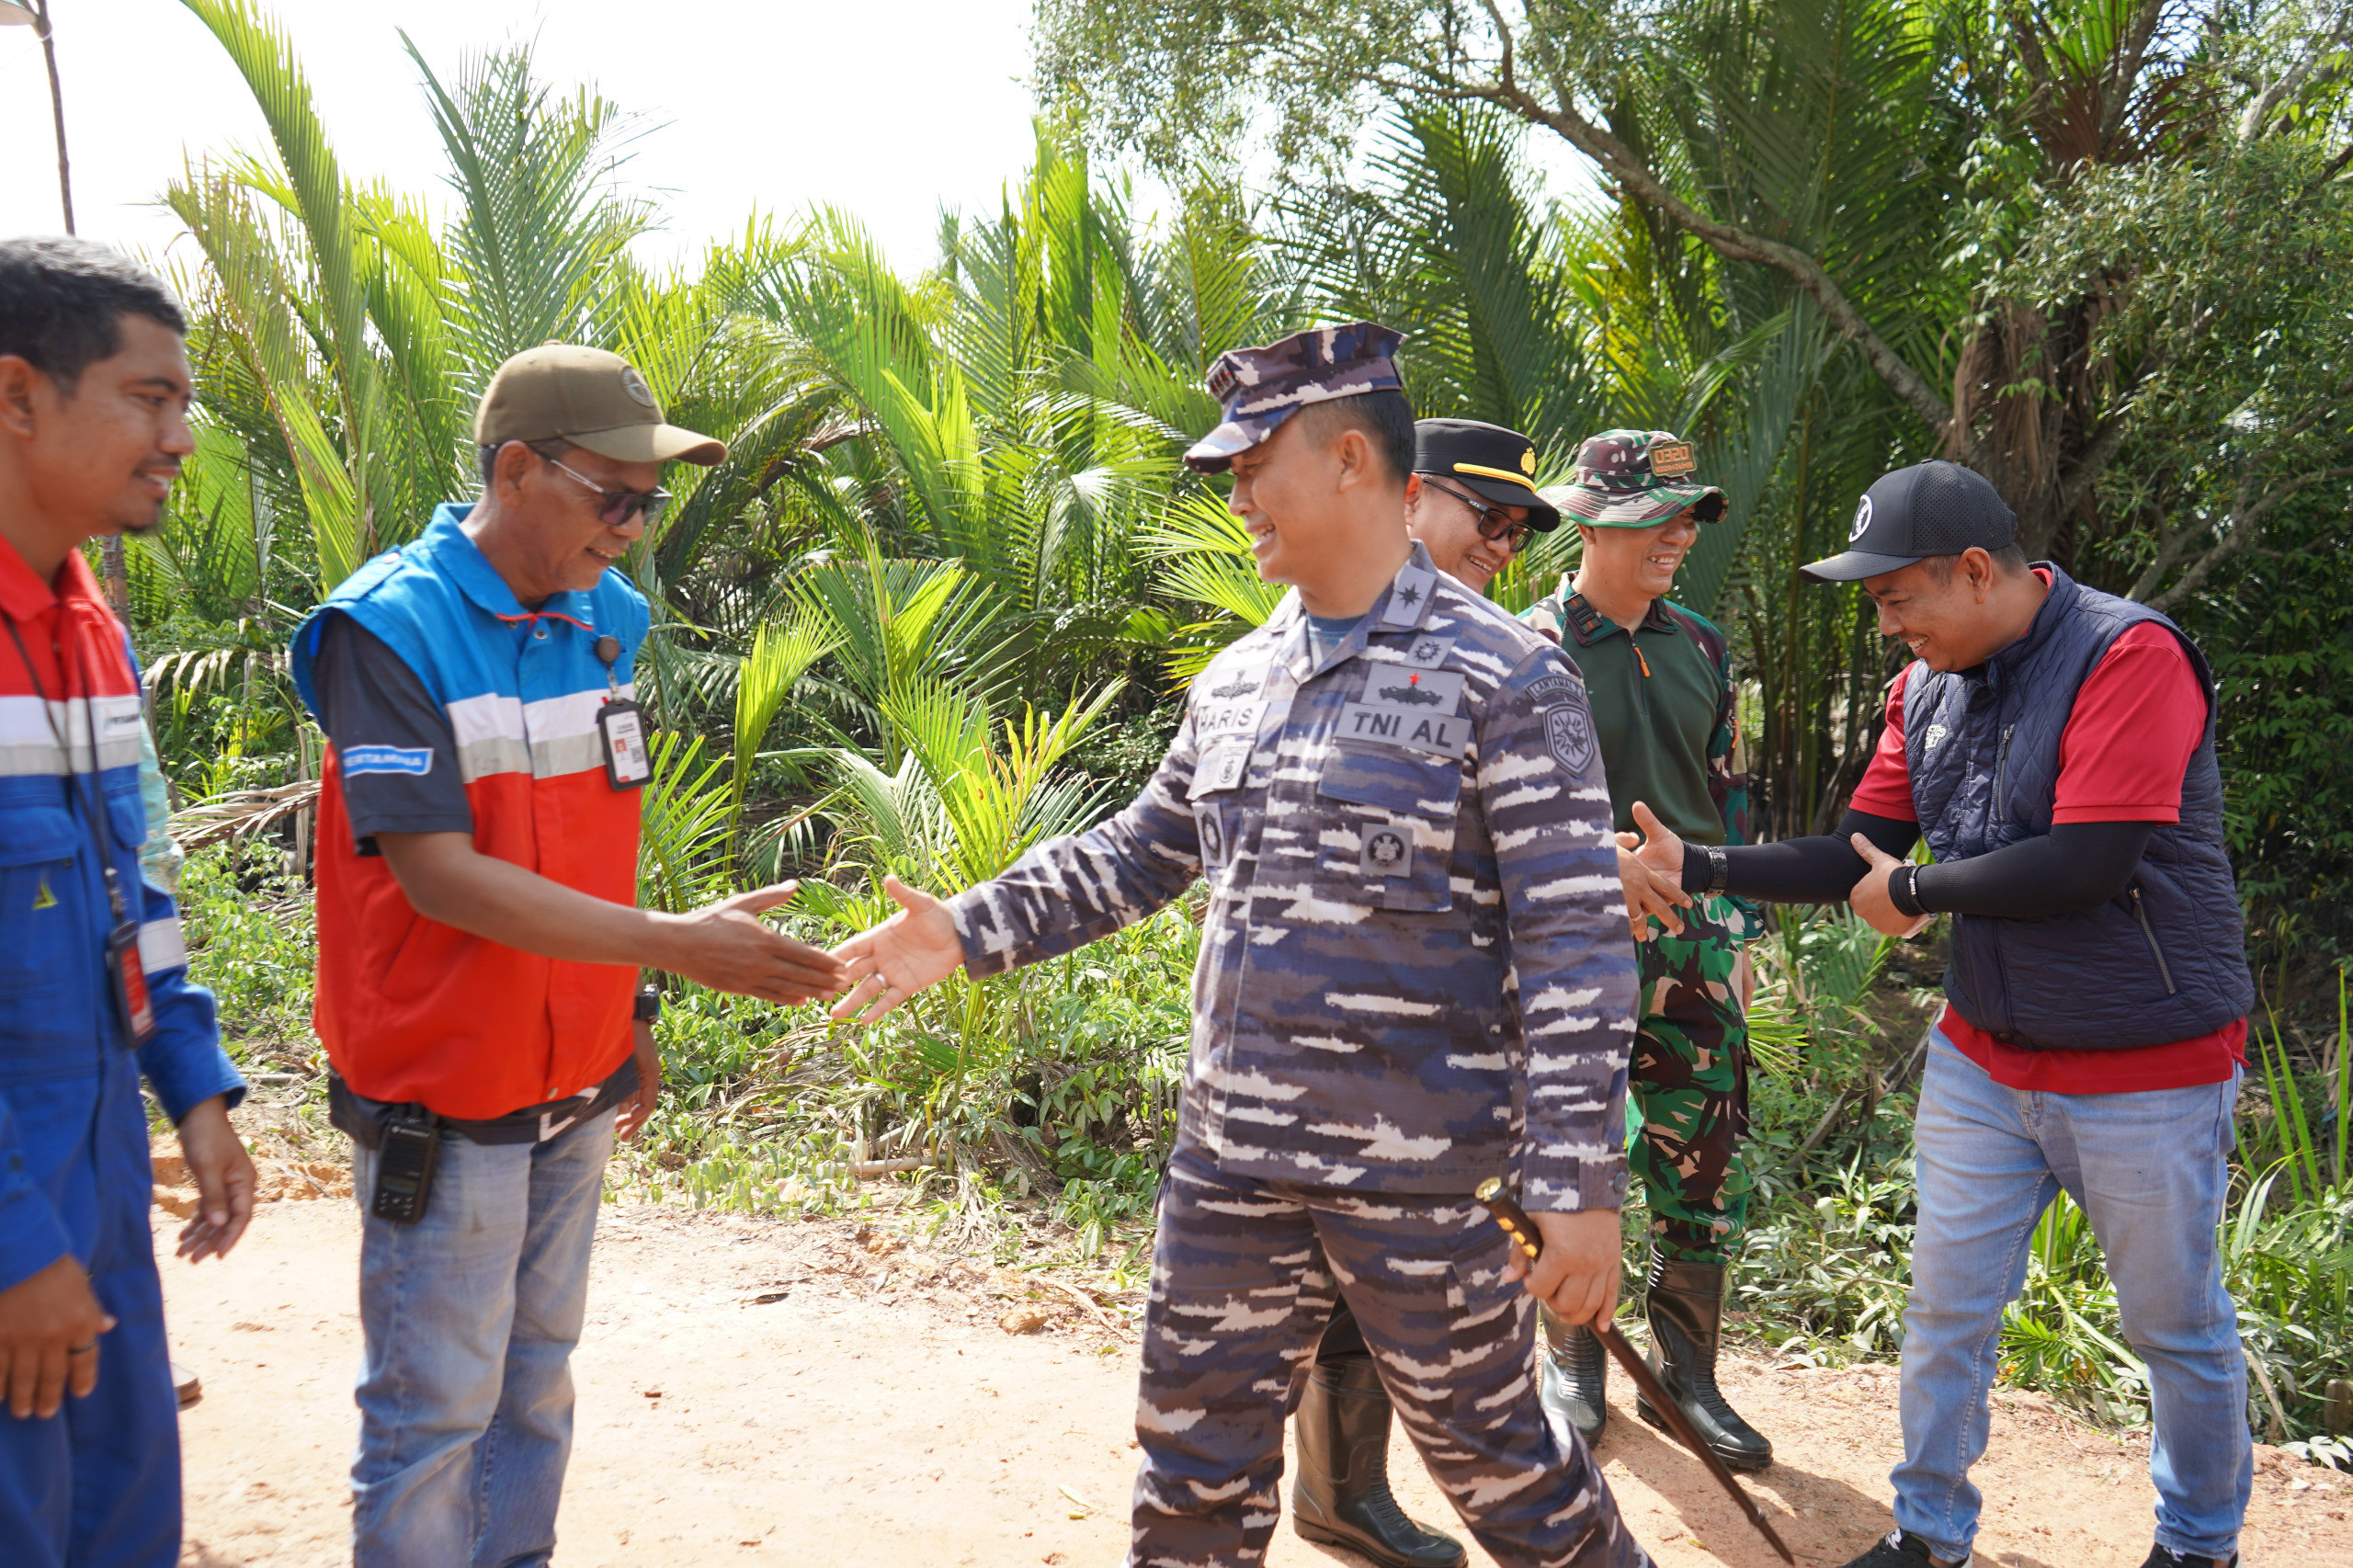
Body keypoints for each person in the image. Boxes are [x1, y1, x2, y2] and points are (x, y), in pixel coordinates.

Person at [827, 323, 1650, 1568]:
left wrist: (1578, 1179)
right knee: (1190, 1483)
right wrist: (966, 928)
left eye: (1255, 460)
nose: (1238, 490)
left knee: (1515, 1486)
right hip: (1231, 1173)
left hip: (1419, 1179)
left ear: (1353, 460)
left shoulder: (1504, 676)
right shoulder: (1237, 681)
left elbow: (1576, 938)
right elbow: (1139, 851)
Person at [1626, 459, 2254, 1568]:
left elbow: (2089, 859)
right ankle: (1927, 1530)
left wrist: (1913, 891)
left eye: (1894, 596)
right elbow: (1855, 849)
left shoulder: (2129, 653)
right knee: (1946, 1311)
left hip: (2144, 1062)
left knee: (2175, 1328)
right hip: (1983, 1056)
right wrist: (1704, 863)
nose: (1885, 624)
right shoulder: (1923, 690)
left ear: (1974, 571)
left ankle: (2197, 1543)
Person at [285, 345, 847, 1567]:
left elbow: (597, 834)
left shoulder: (607, 620)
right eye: (616, 497)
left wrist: (633, 998)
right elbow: (438, 871)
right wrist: (677, 947)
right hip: (448, 1089)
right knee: (435, 1412)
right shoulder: (386, 629)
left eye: (652, 503)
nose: (637, 530)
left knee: (537, 1382)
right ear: (517, 470)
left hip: (574, 1078)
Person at [0, 236, 255, 1568]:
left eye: (184, 402)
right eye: (150, 398)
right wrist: (10, 1244)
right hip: (18, 1221)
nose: (180, 437)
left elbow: (134, 892)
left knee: (117, 1519)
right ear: (17, 397)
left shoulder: (88, 626)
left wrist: (195, 1089)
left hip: (88, 1195)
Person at [1281, 414, 1567, 1568]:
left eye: (1516, 527)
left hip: (1445, 1053)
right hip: (1328, 1045)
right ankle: (1337, 1492)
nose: (1503, 541)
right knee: (1338, 1277)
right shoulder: (1318, 641)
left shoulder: (1501, 659)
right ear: (1404, 497)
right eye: (1485, 515)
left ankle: (1347, 1489)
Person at [1516, 429, 1771, 1471]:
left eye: (1686, 518)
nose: (1676, 535)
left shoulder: (1703, 644)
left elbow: (1730, 792)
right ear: (1587, 518)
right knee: (1574, 1155)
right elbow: (1498, 812)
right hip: (1570, 947)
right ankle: (1571, 1357)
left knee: (1703, 1166)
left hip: (1696, 946)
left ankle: (1688, 1373)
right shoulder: (1526, 648)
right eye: (1653, 516)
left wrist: (1744, 927)